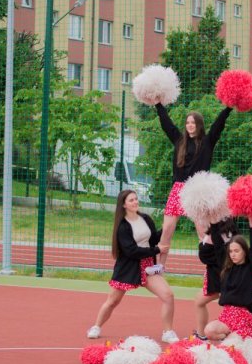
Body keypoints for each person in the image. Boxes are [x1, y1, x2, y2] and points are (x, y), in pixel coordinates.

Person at [86, 189, 179, 343]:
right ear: (123, 205)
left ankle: (168, 332)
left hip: (148, 266)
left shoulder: (145, 218)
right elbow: (131, 251)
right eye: (131, 200)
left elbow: (154, 238)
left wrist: (167, 228)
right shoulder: (122, 227)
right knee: (112, 301)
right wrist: (157, 250)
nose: (135, 202)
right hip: (128, 268)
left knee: (168, 296)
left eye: (136, 199)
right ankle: (96, 326)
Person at [150, 102, 233, 273]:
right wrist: (158, 105)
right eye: (188, 122)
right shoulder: (179, 140)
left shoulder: (208, 142)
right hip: (178, 190)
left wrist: (228, 108)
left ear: (199, 125)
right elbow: (166, 124)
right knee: (166, 230)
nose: (190, 125)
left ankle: (212, 269)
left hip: (197, 192)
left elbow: (219, 124)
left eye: (193, 123)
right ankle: (159, 267)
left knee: (203, 233)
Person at [204, 218, 252, 341]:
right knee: (209, 331)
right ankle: (230, 338)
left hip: (244, 317)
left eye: (236, 251)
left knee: (233, 345)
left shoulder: (251, 269)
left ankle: (247, 339)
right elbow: (218, 245)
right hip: (227, 316)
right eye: (230, 251)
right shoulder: (226, 268)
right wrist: (213, 223)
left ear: (245, 252)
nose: (233, 254)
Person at [194, 218, 239, 340]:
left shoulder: (213, 238)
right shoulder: (233, 233)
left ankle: (202, 334)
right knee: (239, 310)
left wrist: (201, 243)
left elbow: (204, 257)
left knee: (200, 302)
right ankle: (201, 334)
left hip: (219, 280)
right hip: (231, 278)